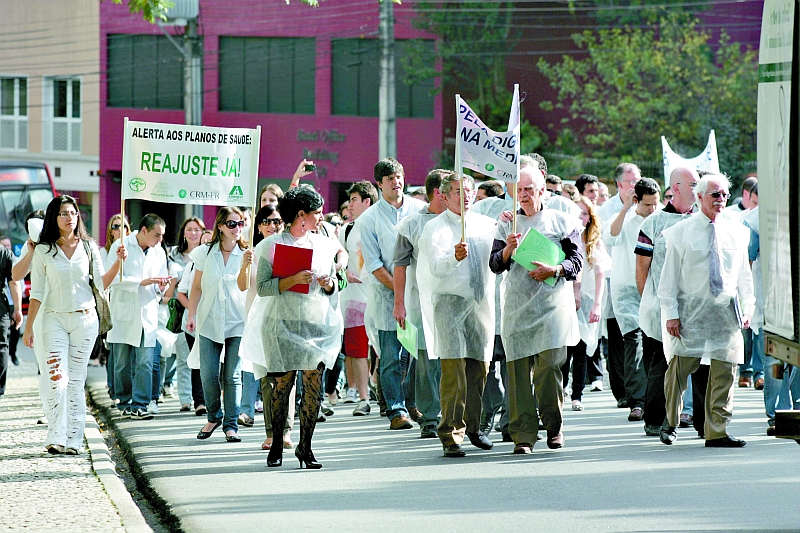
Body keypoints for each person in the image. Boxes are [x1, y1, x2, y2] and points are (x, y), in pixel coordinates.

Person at [490, 165, 583, 454]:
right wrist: (508, 249)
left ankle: (553, 426)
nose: (525, 194)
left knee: (549, 370)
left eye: (530, 189)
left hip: (552, 308)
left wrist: (555, 269)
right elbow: (494, 264)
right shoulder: (508, 224)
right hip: (518, 308)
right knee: (517, 376)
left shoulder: (562, 221)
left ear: (543, 190)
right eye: (520, 189)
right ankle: (523, 436)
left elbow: (576, 261)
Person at [658, 174, 755, 448]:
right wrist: (671, 313)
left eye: (724, 194)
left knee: (725, 372)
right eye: (714, 194)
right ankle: (671, 421)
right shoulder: (681, 232)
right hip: (691, 313)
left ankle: (717, 430)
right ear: (699, 197)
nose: (720, 199)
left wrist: (748, 307)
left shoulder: (737, 231)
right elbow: (669, 278)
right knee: (679, 369)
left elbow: (743, 274)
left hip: (725, 314)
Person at [23, 195, 125, 454]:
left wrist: (118, 263)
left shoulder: (89, 247)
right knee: (57, 378)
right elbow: (36, 292)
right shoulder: (44, 250)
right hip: (53, 318)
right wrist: (28, 327)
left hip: (85, 319)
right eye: (63, 214)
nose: (69, 218)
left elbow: (101, 284)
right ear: (53, 218)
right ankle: (55, 436)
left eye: (73, 213)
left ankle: (74, 439)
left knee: (76, 381)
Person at [257, 187, 343, 469]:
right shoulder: (270, 246)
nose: (321, 218)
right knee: (282, 385)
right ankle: (277, 444)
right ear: (301, 216)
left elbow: (336, 284)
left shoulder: (324, 244)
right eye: (317, 213)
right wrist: (292, 279)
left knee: (313, 387)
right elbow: (262, 287)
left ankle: (305, 446)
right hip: (280, 324)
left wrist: (329, 283)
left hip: (315, 325)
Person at [421, 173, 496, 457]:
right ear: (443, 195)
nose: (463, 195)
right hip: (450, 304)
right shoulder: (435, 228)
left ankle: (473, 427)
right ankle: (450, 434)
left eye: (467, 190)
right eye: (456, 191)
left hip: (480, 303)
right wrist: (454, 256)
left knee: (480, 368)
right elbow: (436, 268)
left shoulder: (486, 225)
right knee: (454, 372)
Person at [354, 158, 426, 430]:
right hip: (387, 298)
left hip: (419, 296)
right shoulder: (369, 219)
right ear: (379, 184)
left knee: (419, 354)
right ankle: (396, 410)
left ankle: (414, 404)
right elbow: (373, 264)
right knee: (391, 357)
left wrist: (412, 293)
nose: (396, 182)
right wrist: (400, 292)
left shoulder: (419, 210)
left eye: (399, 176)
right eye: (390, 178)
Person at [635, 167, 701, 437]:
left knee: (701, 365)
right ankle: (655, 419)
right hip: (660, 307)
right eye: (693, 183)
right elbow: (642, 268)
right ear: (676, 187)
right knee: (661, 364)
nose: (699, 188)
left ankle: (699, 419)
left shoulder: (702, 219)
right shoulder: (653, 224)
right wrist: (650, 302)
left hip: (698, 307)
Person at [186, 207, 253, 443]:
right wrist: (191, 313)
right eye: (232, 224)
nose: (237, 228)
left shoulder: (247, 253)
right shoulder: (205, 252)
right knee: (208, 374)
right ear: (221, 226)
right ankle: (214, 416)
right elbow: (196, 287)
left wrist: (246, 265)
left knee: (233, 376)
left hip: (237, 321)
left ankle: (231, 424)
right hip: (208, 320)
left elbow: (245, 287)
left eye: (241, 223)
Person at [393, 170, 449, 438]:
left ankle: (453, 413)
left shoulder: (461, 220)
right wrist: (399, 303)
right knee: (426, 362)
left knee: (453, 361)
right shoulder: (412, 225)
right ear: (439, 192)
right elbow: (400, 266)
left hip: (457, 304)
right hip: (422, 304)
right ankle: (429, 417)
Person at [603, 177, 661, 422]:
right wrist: (625, 207)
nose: (652, 209)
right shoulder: (625, 220)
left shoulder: (660, 220)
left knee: (653, 344)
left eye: (656, 204)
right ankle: (636, 402)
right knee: (634, 341)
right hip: (627, 290)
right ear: (637, 200)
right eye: (647, 205)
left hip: (653, 289)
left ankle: (653, 397)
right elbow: (609, 237)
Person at [243, 205, 296, 450]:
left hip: (285, 317)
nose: (272, 226)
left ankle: (285, 430)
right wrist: (245, 265)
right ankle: (270, 431)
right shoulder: (251, 252)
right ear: (259, 225)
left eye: (277, 221)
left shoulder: (289, 249)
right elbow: (243, 285)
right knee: (265, 377)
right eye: (266, 221)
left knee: (286, 376)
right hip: (258, 319)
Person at [107, 214, 170, 420]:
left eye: (162, 235)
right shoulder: (121, 245)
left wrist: (162, 286)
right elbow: (111, 279)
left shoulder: (158, 251)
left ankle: (141, 403)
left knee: (145, 361)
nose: (159, 240)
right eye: (156, 235)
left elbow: (161, 281)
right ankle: (124, 401)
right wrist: (143, 282)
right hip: (125, 311)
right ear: (143, 230)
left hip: (148, 312)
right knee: (122, 363)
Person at [564, 196, 609, 411]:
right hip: (566, 299)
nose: (581, 217)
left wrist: (597, 305)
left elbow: (600, 276)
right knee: (565, 350)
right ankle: (561, 389)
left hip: (588, 299)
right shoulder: (565, 237)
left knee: (581, 349)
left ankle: (577, 395)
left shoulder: (594, 241)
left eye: (585, 213)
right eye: (578, 212)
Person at [339, 180, 378, 415]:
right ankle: (364, 397)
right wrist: (344, 272)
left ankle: (386, 394)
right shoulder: (347, 229)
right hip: (354, 299)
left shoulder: (378, 225)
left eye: (354, 200)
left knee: (385, 351)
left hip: (380, 295)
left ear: (367, 201)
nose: (350, 205)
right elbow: (339, 258)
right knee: (357, 350)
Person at [170, 217, 206, 413]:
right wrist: (192, 308)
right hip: (185, 313)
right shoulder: (175, 255)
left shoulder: (210, 255)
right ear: (184, 233)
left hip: (206, 313)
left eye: (197, 230)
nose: (193, 233)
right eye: (189, 229)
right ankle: (185, 398)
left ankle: (202, 398)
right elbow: (179, 291)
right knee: (184, 358)